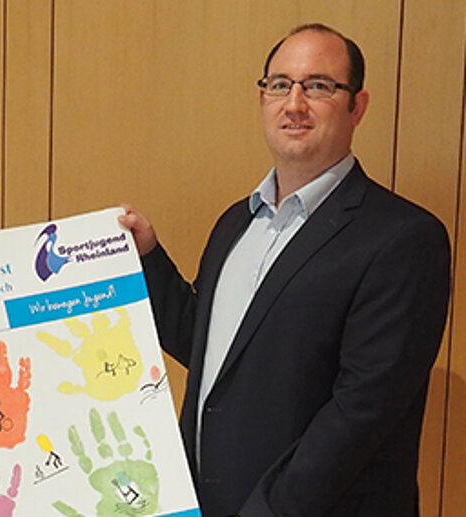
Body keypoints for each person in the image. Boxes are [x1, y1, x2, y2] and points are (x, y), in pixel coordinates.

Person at [120, 23, 450, 517]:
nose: (294, 104)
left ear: (357, 106)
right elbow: (212, 348)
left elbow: (362, 411)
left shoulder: (403, 238)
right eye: (279, 85)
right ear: (263, 99)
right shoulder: (236, 222)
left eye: (318, 86)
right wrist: (147, 258)